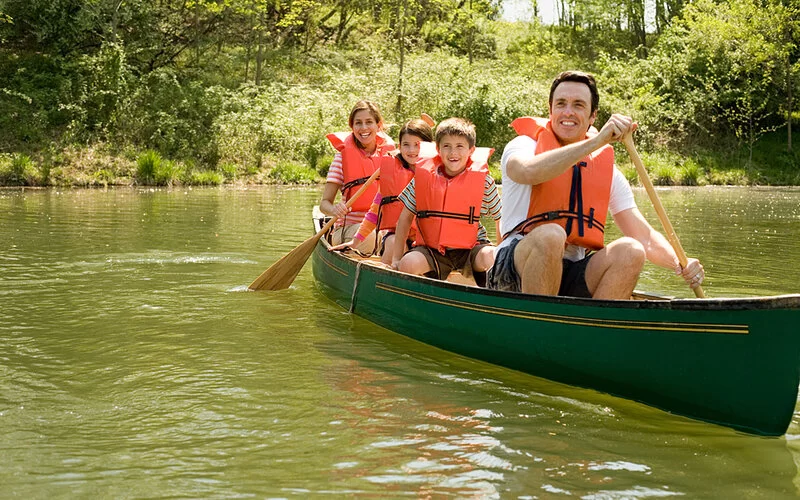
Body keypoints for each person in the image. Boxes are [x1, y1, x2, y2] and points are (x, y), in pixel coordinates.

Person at [488, 70, 704, 299]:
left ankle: (595, 329)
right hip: (514, 269)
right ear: (550, 110)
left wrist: (679, 263)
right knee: (551, 235)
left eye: (579, 105)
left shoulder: (605, 170)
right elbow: (526, 171)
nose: (568, 112)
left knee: (631, 250)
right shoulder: (522, 146)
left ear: (593, 117)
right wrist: (597, 141)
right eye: (561, 104)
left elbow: (645, 236)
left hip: (572, 270)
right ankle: (542, 327)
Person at [391, 118, 502, 287]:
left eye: (459, 146)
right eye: (447, 146)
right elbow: (404, 219)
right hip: (432, 249)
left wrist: (502, 253)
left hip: (472, 247)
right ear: (438, 149)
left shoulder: (484, 182)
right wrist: (397, 258)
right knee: (408, 264)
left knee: (493, 256)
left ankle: (495, 297)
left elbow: (500, 219)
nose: (453, 153)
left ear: (471, 150)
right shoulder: (422, 179)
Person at [329, 118, 436, 264]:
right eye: (406, 145)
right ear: (400, 146)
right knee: (393, 242)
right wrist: (356, 241)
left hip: (427, 240)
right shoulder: (392, 175)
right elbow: (375, 212)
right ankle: (387, 278)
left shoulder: (440, 175)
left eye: (417, 145)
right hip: (396, 237)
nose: (411, 150)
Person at [320, 100, 395, 250]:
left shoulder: (391, 157)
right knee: (369, 236)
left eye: (369, 122)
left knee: (395, 240)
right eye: (358, 123)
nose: (364, 128)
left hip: (383, 230)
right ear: (352, 127)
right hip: (349, 229)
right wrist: (334, 210)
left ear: (378, 125)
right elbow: (324, 204)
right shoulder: (342, 158)